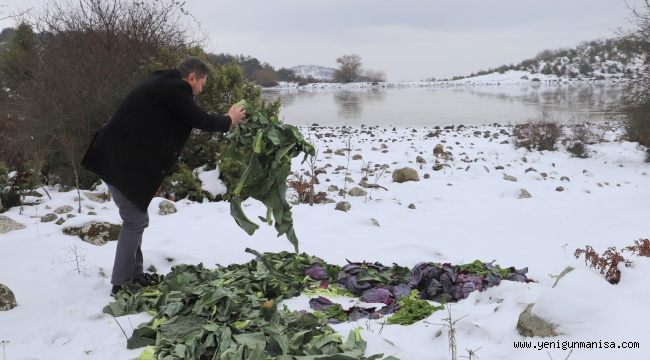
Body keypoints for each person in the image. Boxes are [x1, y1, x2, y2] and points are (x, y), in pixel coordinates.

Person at [81, 57, 245, 296]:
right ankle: (122, 283)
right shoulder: (175, 89)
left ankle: (133, 275)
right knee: (135, 221)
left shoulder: (162, 82)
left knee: (136, 219)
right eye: (202, 83)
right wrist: (230, 119)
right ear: (191, 78)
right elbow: (201, 120)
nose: (201, 89)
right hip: (117, 162)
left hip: (118, 160)